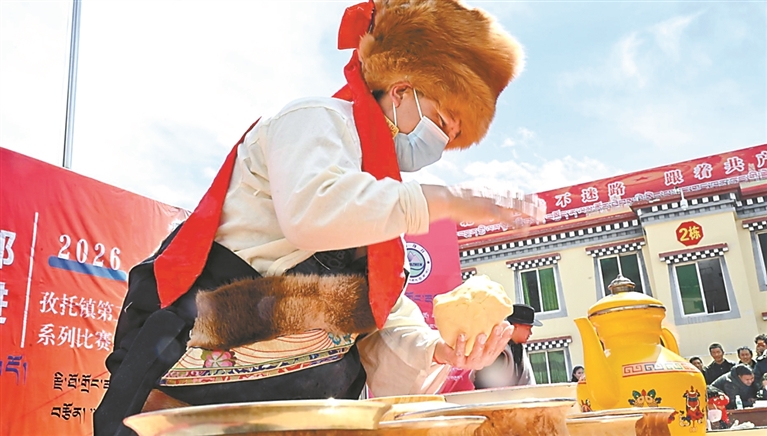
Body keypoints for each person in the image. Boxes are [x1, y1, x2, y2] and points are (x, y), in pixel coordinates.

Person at [94, 1, 529, 434]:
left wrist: (439, 351)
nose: (440, 144)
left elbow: (382, 321)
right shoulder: (315, 120)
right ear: (400, 91)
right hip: (192, 407)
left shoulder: (381, 205)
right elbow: (313, 212)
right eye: (441, 122)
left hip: (295, 418)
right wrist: (448, 200)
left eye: (451, 137)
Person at [472, 304, 543, 388]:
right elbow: (482, 382)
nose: (530, 333)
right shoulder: (498, 350)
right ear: (515, 327)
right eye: (528, 329)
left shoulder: (519, 348)